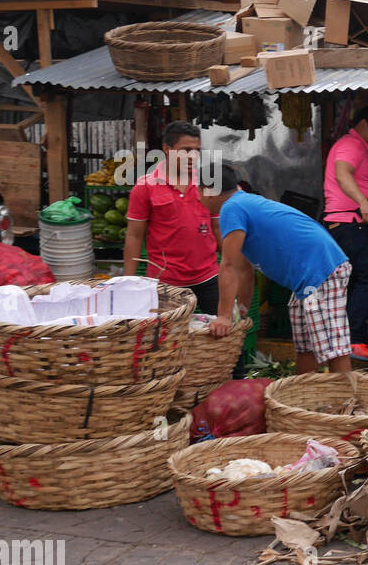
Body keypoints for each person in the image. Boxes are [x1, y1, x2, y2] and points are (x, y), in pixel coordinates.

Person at [202, 175, 352, 375]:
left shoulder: (232, 207)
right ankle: (303, 397)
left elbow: (227, 265)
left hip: (320, 268)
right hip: (308, 276)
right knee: (305, 345)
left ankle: (348, 402)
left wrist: (223, 316)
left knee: (333, 348)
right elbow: (243, 270)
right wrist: (243, 312)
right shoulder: (244, 204)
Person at [123, 121, 221, 314]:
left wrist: (233, 265)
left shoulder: (207, 183)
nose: (192, 156)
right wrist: (128, 282)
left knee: (220, 336)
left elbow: (217, 227)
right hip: (166, 283)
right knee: (169, 341)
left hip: (209, 277)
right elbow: (134, 236)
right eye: (185, 150)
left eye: (196, 150)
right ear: (167, 149)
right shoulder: (145, 187)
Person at [323, 106, 368, 362]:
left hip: (347, 223)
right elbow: (342, 174)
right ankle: (353, 340)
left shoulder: (358, 146)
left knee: (355, 280)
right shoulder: (350, 145)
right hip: (349, 223)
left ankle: (346, 339)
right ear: (362, 124)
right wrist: (364, 202)